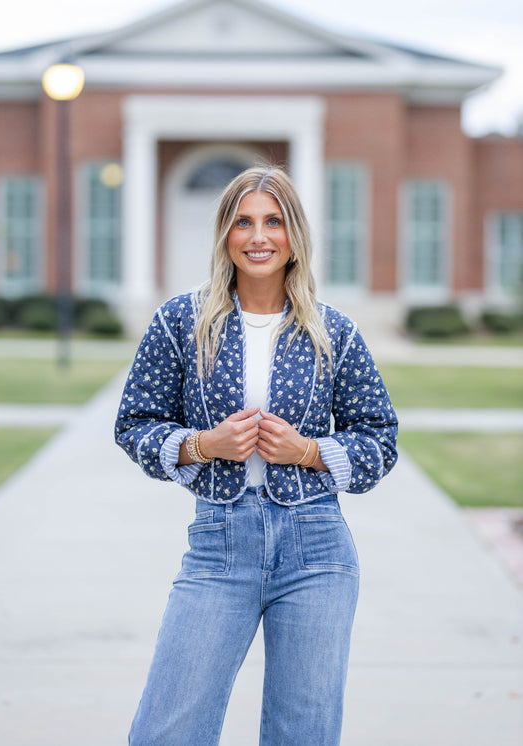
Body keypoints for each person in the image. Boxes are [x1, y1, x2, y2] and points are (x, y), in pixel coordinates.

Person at [115, 165, 398, 746]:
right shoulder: (181, 323)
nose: (258, 236)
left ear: (294, 235)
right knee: (167, 730)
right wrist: (200, 444)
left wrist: (311, 451)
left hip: (316, 549)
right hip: (219, 546)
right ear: (225, 234)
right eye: (243, 222)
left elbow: (380, 438)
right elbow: (134, 422)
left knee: (302, 735)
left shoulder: (332, 330)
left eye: (274, 221)